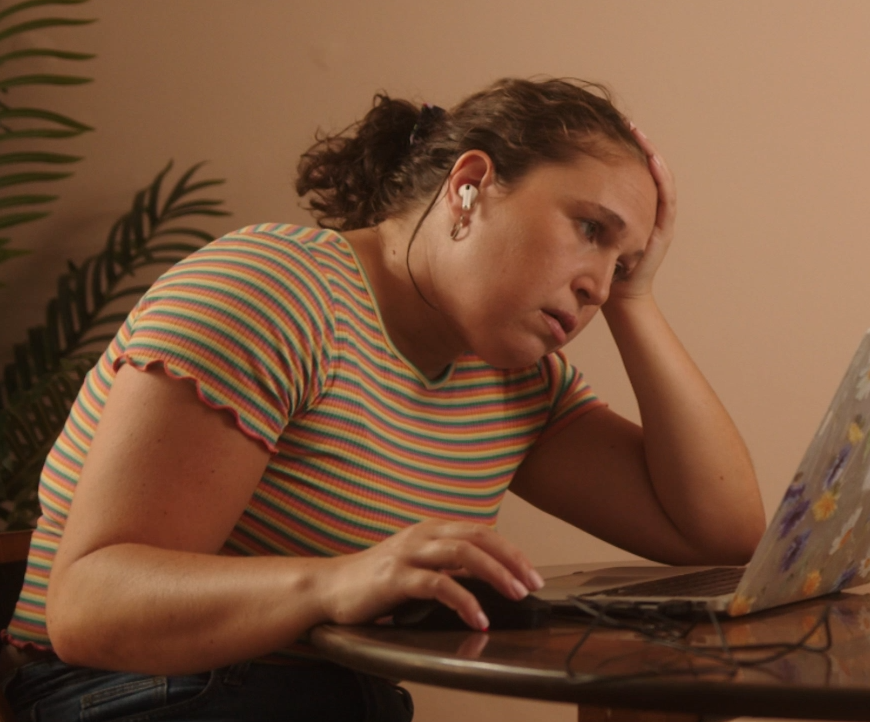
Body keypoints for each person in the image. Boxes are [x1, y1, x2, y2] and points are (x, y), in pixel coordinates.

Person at [1, 77, 765, 720]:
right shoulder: (273, 290)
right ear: (469, 188)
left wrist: (638, 298)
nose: (597, 282)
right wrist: (338, 578)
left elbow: (720, 531)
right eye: (589, 229)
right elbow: (87, 608)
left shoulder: (511, 378)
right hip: (125, 694)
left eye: (621, 263)